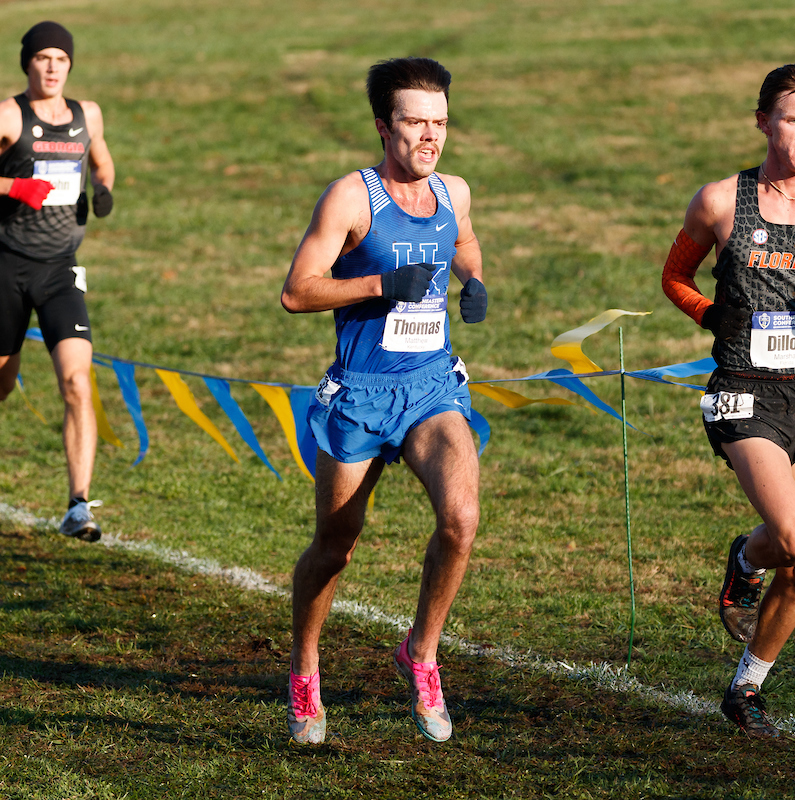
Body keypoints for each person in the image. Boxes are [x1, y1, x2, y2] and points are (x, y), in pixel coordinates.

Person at [661, 64, 795, 738]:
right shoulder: (721, 202)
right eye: (794, 118)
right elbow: (675, 275)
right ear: (763, 122)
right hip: (744, 394)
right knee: (793, 536)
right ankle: (746, 559)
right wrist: (707, 313)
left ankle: (746, 689)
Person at [279, 57, 487, 744]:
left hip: (431, 385)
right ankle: (306, 670)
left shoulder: (453, 191)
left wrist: (473, 278)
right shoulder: (352, 199)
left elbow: (464, 240)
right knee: (336, 547)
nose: (430, 136)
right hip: (361, 395)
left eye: (440, 123)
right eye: (415, 122)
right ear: (382, 125)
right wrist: (376, 288)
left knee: (461, 518)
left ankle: (420, 652)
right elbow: (298, 290)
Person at [0, 21, 115, 541]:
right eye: (43, 58)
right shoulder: (7, 114)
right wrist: (15, 186)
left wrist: (102, 190)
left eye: (61, 58)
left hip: (62, 268)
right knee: (1, 385)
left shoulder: (88, 116)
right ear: (28, 64)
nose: (53, 67)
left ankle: (78, 505)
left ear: (71, 65)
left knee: (77, 382)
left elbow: (102, 164)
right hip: (10, 264)